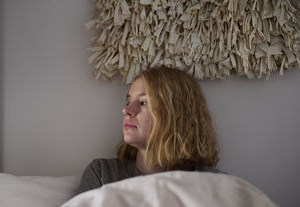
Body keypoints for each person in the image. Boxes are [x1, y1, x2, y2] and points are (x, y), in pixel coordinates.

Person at [77, 66, 222, 194]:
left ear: (175, 113)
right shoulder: (103, 174)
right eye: (128, 102)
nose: (126, 110)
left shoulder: (213, 184)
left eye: (143, 102)